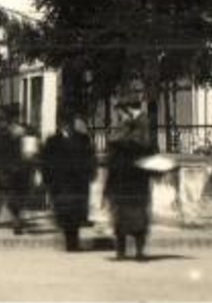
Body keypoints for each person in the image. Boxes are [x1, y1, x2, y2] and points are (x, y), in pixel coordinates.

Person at [103, 108, 155, 261]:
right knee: (136, 220)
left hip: (123, 187)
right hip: (136, 187)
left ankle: (122, 252)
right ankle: (136, 251)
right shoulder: (142, 146)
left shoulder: (116, 146)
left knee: (122, 220)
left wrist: (107, 188)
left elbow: (111, 167)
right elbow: (150, 164)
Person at [40, 114, 97, 252]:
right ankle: (70, 242)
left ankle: (73, 243)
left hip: (78, 183)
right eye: (65, 124)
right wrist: (47, 179)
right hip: (60, 184)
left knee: (75, 214)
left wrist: (90, 174)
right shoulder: (52, 141)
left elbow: (90, 158)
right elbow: (46, 162)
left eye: (70, 124)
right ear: (60, 125)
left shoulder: (83, 139)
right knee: (64, 214)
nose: (68, 127)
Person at [0, 104, 28, 233]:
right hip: (9, 170)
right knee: (12, 197)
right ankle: (15, 223)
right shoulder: (17, 132)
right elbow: (22, 152)